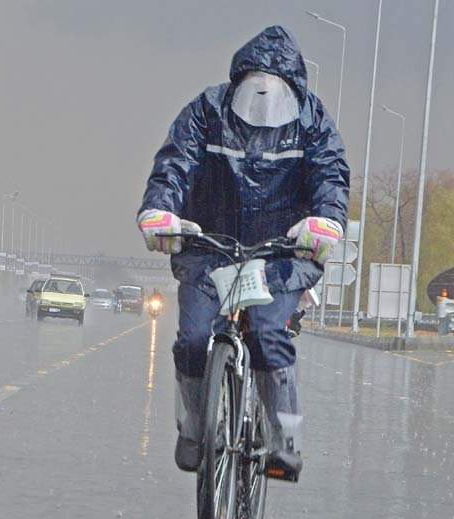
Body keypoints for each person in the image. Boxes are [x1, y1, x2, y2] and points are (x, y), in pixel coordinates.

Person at [136, 26, 349, 481]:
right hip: (210, 248)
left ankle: (284, 441)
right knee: (194, 338)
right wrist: (159, 210)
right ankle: (193, 426)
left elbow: (330, 173)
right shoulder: (207, 110)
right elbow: (176, 162)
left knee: (269, 333)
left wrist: (326, 220)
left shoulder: (311, 119)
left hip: (281, 256)